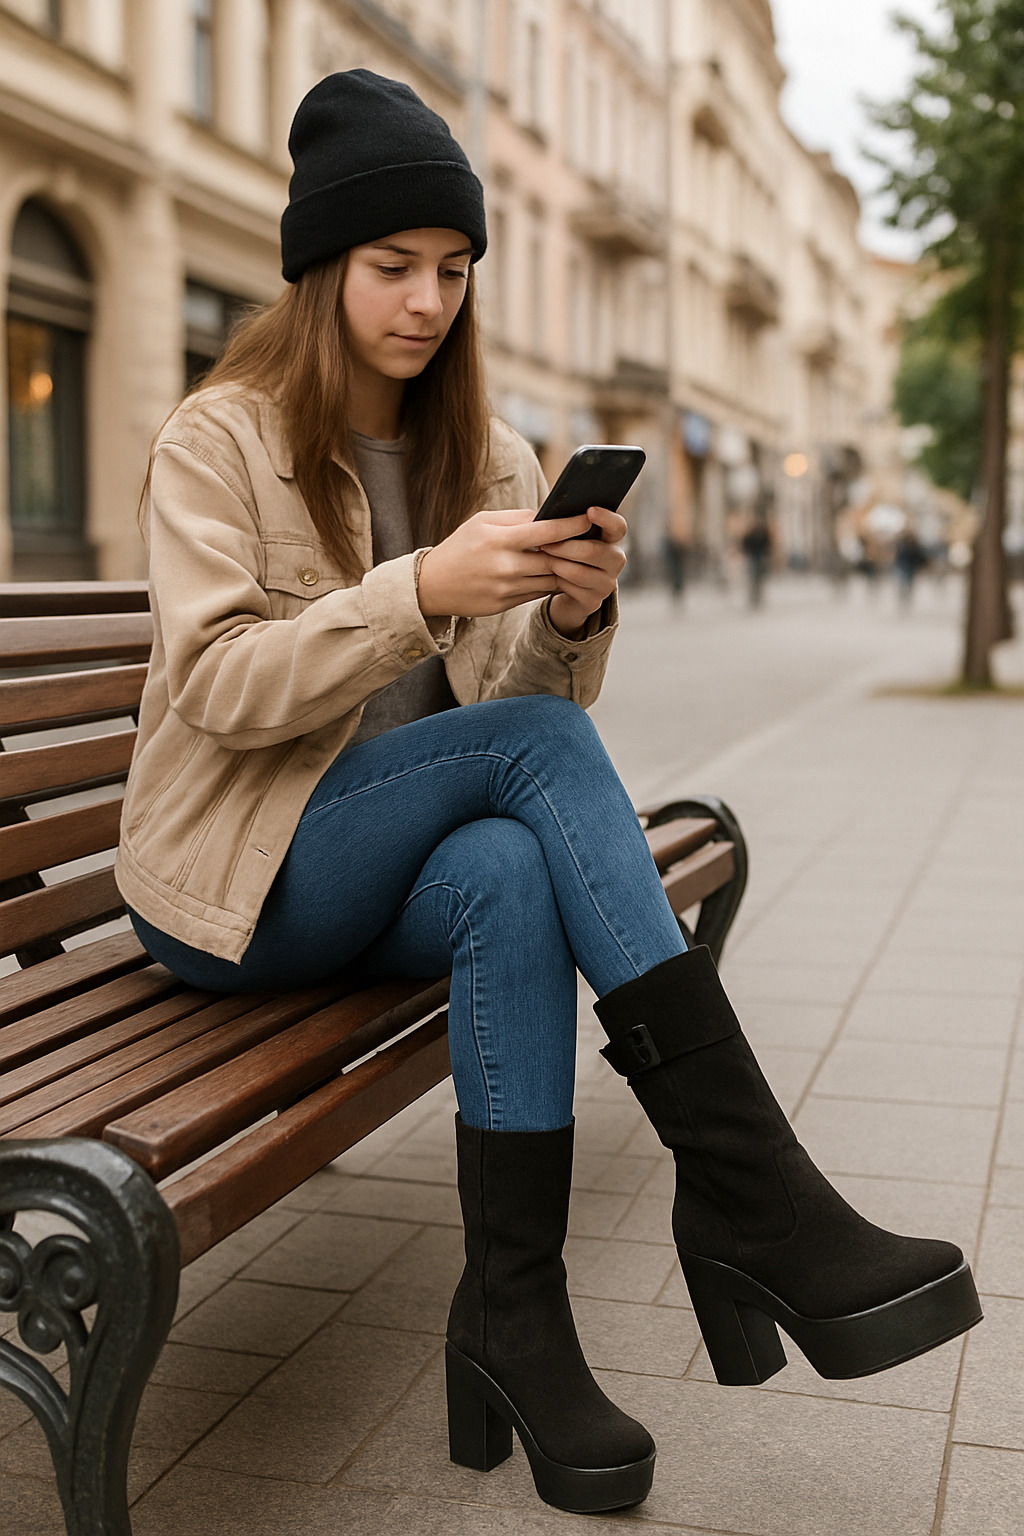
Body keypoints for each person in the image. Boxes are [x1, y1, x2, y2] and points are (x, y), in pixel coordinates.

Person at [116, 70, 980, 1517]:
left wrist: (571, 614)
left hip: (392, 868)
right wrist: (417, 591)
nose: (427, 300)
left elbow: (529, 709)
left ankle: (515, 1318)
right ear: (321, 269)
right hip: (233, 886)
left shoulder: (491, 456)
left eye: (454, 269)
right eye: (392, 266)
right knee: (532, 768)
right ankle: (752, 1191)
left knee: (513, 871)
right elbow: (217, 686)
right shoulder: (220, 439)